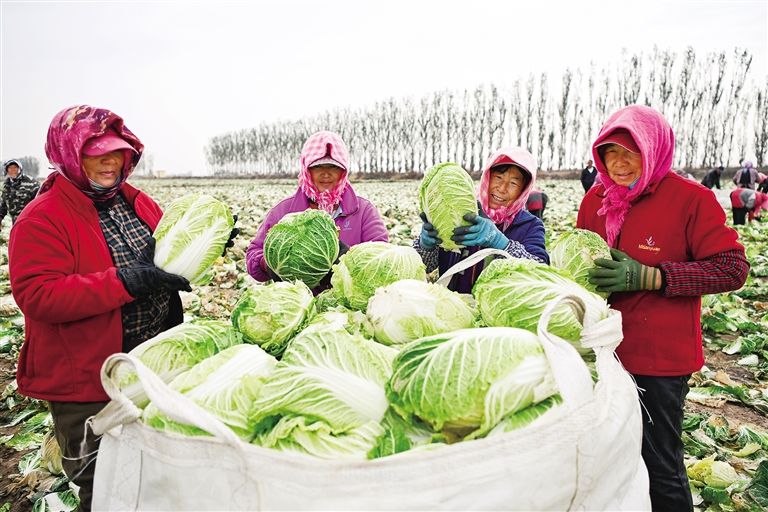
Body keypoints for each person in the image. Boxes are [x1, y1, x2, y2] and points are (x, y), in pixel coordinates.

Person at [8, 105, 197, 511]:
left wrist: (197, 247)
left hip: (151, 363)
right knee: (105, 480)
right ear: (69, 156)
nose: (111, 162)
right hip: (88, 379)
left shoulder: (137, 202)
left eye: (118, 153)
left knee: (153, 473)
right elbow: (39, 295)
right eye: (97, 154)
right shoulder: (42, 218)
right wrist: (125, 282)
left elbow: (164, 259)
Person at [576, 105, 749, 511]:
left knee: (658, 462)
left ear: (653, 149)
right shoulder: (596, 200)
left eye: (631, 152)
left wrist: (653, 277)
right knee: (606, 457)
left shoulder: (690, 199)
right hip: (602, 351)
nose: (619, 163)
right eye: (610, 152)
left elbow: (732, 268)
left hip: (658, 360)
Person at [246, 130, 388, 291]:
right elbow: (253, 256)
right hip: (297, 300)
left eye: (333, 166)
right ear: (306, 170)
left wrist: (348, 257)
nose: (326, 173)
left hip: (348, 300)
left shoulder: (363, 211)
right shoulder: (284, 211)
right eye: (317, 166)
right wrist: (269, 263)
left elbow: (381, 256)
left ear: (343, 172)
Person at [414, 148, 549, 294]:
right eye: (498, 177)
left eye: (513, 183)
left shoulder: (531, 225)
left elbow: (541, 274)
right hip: (451, 304)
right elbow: (425, 267)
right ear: (487, 177)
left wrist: (503, 244)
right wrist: (426, 247)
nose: (502, 188)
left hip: (495, 307)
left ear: (523, 190)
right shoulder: (459, 212)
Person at [0, 159, 40, 228]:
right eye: (10, 168)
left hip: (30, 220)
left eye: (15, 168)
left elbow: (39, 202)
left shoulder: (32, 183)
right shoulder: (6, 185)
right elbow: (3, 205)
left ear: (20, 169)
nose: (12, 170)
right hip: (15, 222)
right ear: (6, 170)